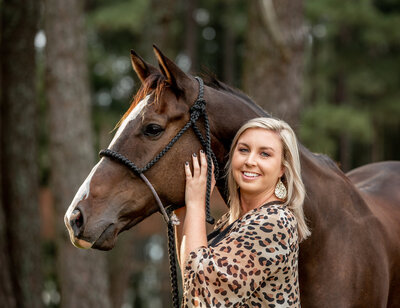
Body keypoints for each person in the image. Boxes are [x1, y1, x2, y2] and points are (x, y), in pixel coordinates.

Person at [174, 117, 311, 307]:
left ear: (282, 168)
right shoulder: (233, 221)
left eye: (265, 154)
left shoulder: (274, 222)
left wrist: (196, 203)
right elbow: (193, 277)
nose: (250, 161)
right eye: (244, 150)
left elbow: (202, 287)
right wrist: (182, 209)